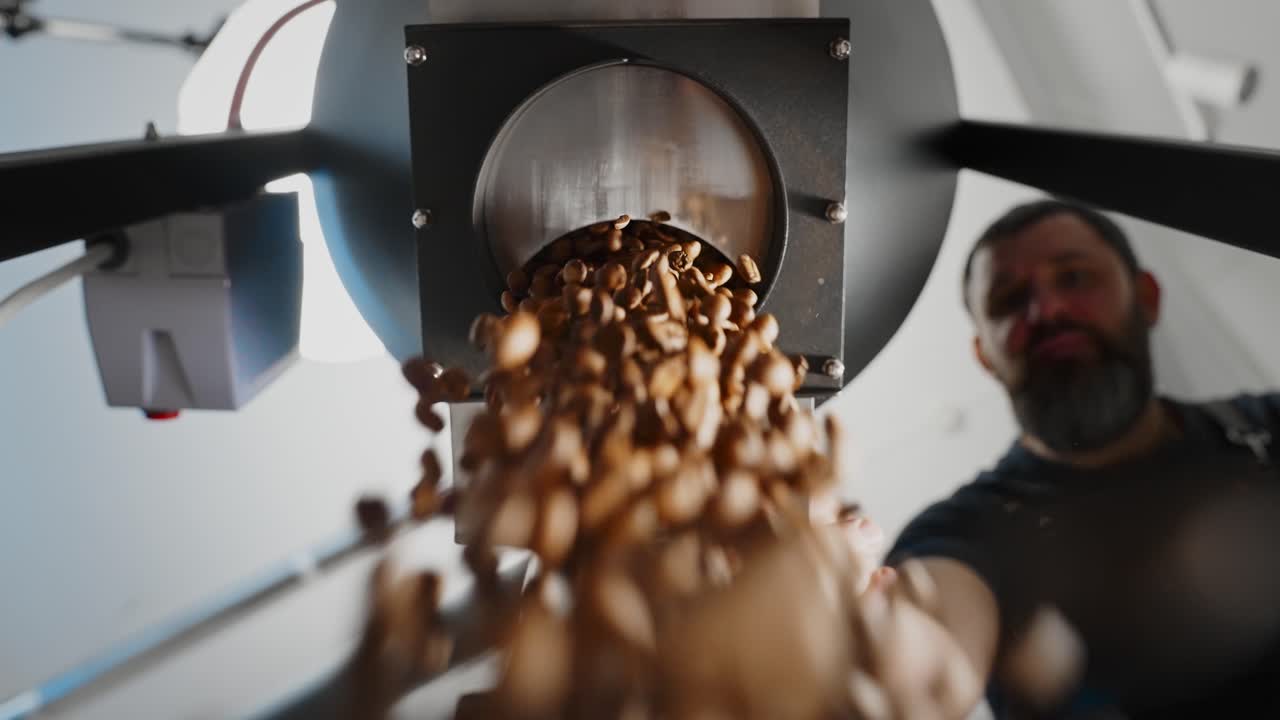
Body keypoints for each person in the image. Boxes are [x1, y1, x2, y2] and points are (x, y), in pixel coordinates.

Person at [869, 199, 1280, 718]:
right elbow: (924, 665)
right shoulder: (967, 531)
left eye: (1076, 277)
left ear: (1146, 298)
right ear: (985, 356)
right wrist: (873, 647)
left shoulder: (1268, 427)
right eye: (1009, 299)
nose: (1048, 311)